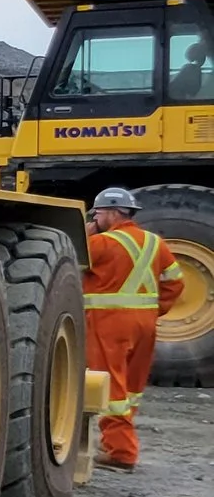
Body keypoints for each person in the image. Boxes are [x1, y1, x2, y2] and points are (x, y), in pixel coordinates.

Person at [82, 186, 184, 470]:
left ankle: (121, 452)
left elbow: (71, 259)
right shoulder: (155, 242)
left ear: (112, 213)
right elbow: (176, 282)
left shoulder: (101, 244)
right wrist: (155, 309)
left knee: (110, 386)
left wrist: (86, 235)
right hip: (145, 323)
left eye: (97, 214)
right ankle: (117, 441)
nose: (95, 219)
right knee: (131, 387)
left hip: (109, 322)